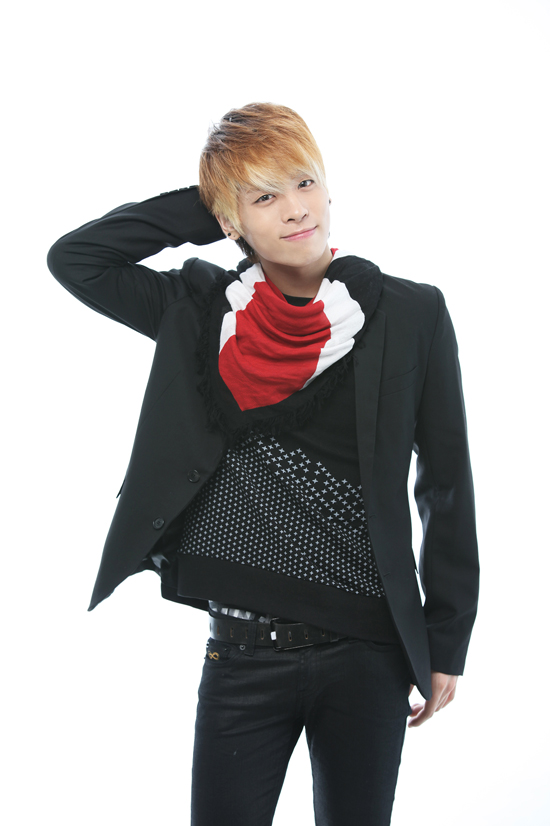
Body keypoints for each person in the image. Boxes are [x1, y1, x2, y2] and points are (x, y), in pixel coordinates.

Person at [47, 102, 479, 826]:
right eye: (265, 197)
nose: (296, 209)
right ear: (231, 219)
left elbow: (447, 482)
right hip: (241, 656)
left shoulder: (412, 314)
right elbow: (77, 259)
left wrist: (448, 639)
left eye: (305, 183)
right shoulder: (198, 312)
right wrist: (215, 202)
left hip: (368, 653)